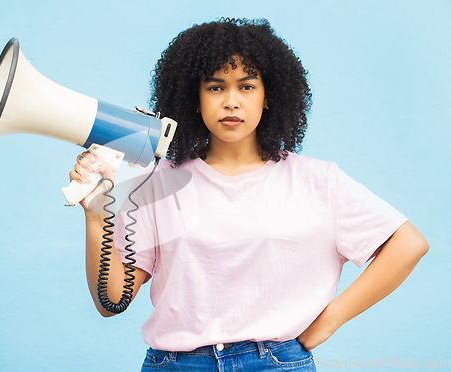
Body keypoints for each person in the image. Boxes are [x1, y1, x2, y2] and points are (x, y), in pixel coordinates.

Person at [69, 18, 429, 371]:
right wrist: (97, 213)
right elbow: (111, 299)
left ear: (269, 96)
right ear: (193, 98)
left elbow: (408, 244)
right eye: (214, 87)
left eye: (246, 86)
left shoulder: (318, 181)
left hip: (275, 362)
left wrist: (329, 320)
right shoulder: (157, 183)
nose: (231, 102)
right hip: (175, 364)